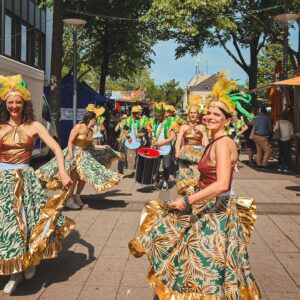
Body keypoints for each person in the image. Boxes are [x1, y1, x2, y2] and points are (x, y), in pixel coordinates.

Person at [129, 73, 260, 299]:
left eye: (216, 114)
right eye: (208, 112)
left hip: (217, 215)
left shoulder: (223, 143)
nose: (210, 116)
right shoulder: (216, 141)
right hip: (207, 207)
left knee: (206, 269)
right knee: (187, 258)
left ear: (228, 120)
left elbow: (221, 184)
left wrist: (188, 200)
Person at [0, 75, 74, 294]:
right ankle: (15, 265)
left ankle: (21, 268)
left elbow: (56, 148)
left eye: (18, 102)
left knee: (24, 223)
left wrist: (62, 171)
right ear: (5, 104)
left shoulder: (34, 125)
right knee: (6, 226)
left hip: (24, 180)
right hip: (2, 180)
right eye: (10, 102)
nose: (14, 106)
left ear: (25, 104)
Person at [36, 107, 123, 210]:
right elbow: (70, 141)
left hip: (85, 156)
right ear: (92, 118)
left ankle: (76, 195)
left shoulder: (91, 131)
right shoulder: (79, 127)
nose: (97, 121)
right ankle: (68, 199)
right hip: (74, 155)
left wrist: (104, 147)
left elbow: (91, 146)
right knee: (73, 177)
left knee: (83, 178)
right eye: (96, 118)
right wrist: (71, 154)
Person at [175, 99, 208, 195]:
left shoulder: (202, 127)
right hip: (185, 155)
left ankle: (195, 200)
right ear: (188, 114)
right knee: (184, 178)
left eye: (195, 113)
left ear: (198, 114)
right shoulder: (183, 127)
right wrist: (177, 151)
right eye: (191, 113)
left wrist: (207, 153)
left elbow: (205, 141)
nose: (193, 115)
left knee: (197, 178)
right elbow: (178, 140)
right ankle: (185, 200)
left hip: (198, 155)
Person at [148, 102, 176, 190]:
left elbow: (172, 137)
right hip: (156, 149)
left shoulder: (170, 122)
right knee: (155, 167)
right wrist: (150, 136)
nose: (157, 117)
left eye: (159, 115)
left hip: (166, 148)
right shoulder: (153, 121)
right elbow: (150, 135)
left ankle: (165, 181)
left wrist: (161, 143)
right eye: (155, 115)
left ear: (163, 114)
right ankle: (155, 182)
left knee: (166, 166)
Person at [122, 106, 147, 173]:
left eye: (139, 112)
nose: (139, 114)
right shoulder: (128, 120)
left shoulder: (142, 120)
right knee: (131, 157)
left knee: (138, 157)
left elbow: (144, 131)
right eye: (137, 113)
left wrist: (140, 135)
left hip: (139, 142)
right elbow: (125, 130)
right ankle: (131, 171)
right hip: (130, 142)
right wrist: (128, 137)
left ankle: (137, 170)